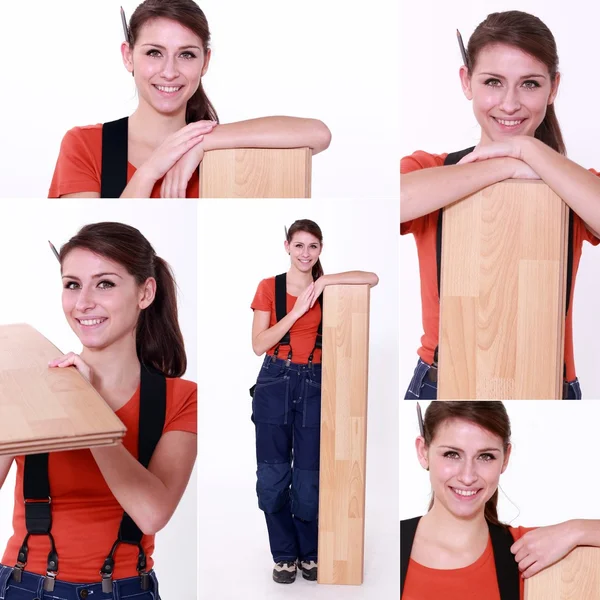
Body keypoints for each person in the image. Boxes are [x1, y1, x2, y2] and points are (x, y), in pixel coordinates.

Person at [401, 10, 600, 400]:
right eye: (493, 82)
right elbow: (397, 201)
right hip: (440, 382)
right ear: (467, 81)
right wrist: (506, 164)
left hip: (550, 382)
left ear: (553, 88)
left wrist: (527, 148)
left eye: (529, 84)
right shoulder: (429, 169)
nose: (509, 104)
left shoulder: (573, 183)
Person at [0, 222, 196, 599]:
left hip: (128, 590)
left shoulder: (183, 397)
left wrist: (88, 405)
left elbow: (152, 514)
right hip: (25, 585)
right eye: (72, 284)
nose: (83, 302)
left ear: (145, 292)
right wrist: (13, 398)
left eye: (104, 283)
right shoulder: (31, 383)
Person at [48, 0, 331, 198]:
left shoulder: (222, 150)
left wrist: (201, 142)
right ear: (127, 56)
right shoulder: (85, 145)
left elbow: (318, 133)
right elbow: (103, 245)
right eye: (154, 53)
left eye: (186, 54)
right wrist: (149, 171)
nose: (169, 72)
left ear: (205, 62)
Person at [250, 219, 378, 583]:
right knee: (272, 478)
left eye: (313, 247)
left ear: (320, 249)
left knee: (309, 478)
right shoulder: (269, 287)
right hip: (275, 380)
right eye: (299, 245)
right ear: (287, 246)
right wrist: (296, 311)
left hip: (316, 383)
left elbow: (372, 277)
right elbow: (258, 344)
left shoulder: (327, 287)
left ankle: (309, 554)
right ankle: (284, 555)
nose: (305, 253)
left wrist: (322, 282)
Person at [401, 401, 600, 599]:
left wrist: (576, 530)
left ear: (505, 459)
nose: (468, 476)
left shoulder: (530, 552)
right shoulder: (390, 545)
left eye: (486, 456)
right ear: (423, 452)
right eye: (452, 454)